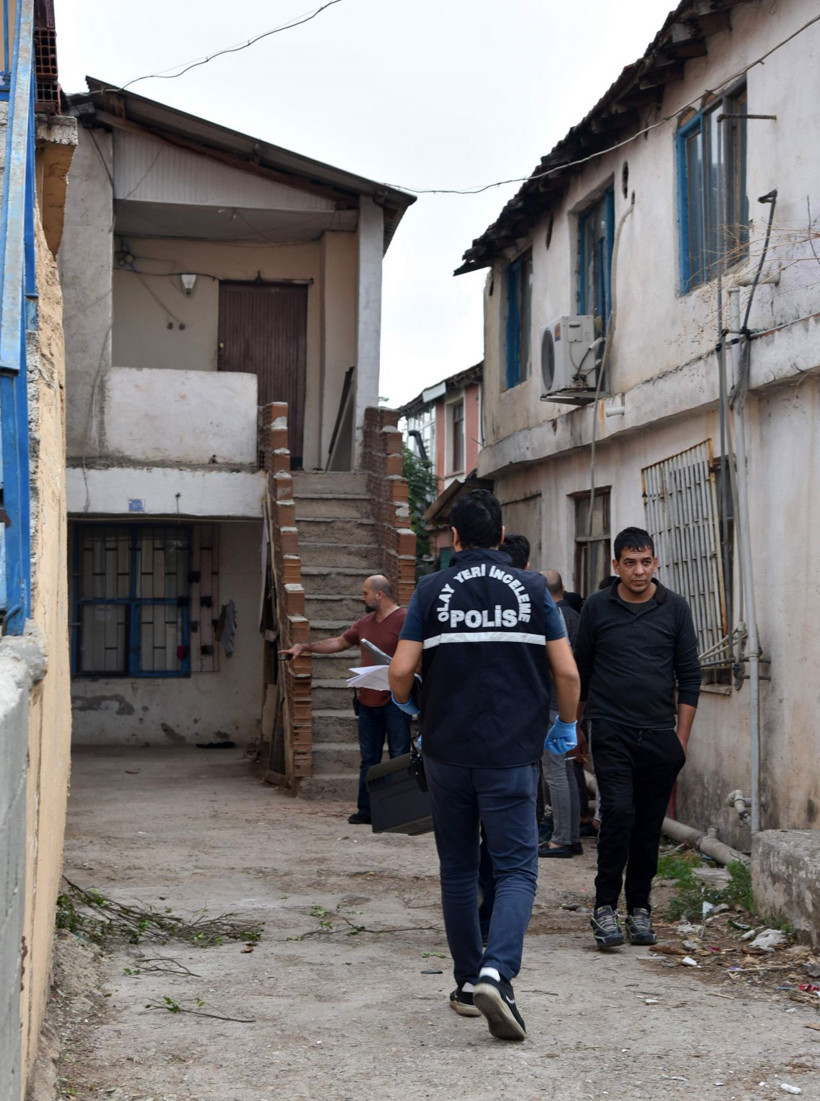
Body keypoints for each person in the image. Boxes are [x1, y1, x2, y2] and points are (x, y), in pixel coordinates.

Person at [389, 490, 580, 1042]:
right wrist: (566, 725)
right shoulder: (533, 588)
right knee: (516, 868)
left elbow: (400, 670)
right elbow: (567, 674)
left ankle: (469, 983)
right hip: (511, 753)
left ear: (454, 537)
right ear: (500, 536)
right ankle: (499, 972)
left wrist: (408, 702)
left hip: (447, 752)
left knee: (457, 868)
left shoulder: (431, 589)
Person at [574, 527, 701, 950]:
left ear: (656, 563)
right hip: (610, 728)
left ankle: (640, 908)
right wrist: (575, 725)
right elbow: (581, 671)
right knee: (619, 812)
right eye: (630, 563)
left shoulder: (675, 608)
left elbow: (690, 676)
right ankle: (604, 907)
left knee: (648, 825)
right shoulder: (597, 607)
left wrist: (681, 739)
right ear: (616, 565)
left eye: (645, 561)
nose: (639, 571)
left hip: (660, 734)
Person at [281, 574, 411, 825]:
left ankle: (399, 812)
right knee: (369, 759)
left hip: (396, 700)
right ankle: (366, 811)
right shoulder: (365, 622)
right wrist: (304, 647)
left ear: (379, 594)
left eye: (365, 593)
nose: (362, 597)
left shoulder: (405, 619)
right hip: (367, 700)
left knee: (399, 756)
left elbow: (417, 653)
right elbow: (339, 642)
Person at [538, 570, 583, 858]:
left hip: (553, 704)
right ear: (563, 588)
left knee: (555, 773)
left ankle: (562, 839)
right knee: (565, 770)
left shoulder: (550, 616)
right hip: (568, 704)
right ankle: (571, 836)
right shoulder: (574, 616)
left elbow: (561, 669)